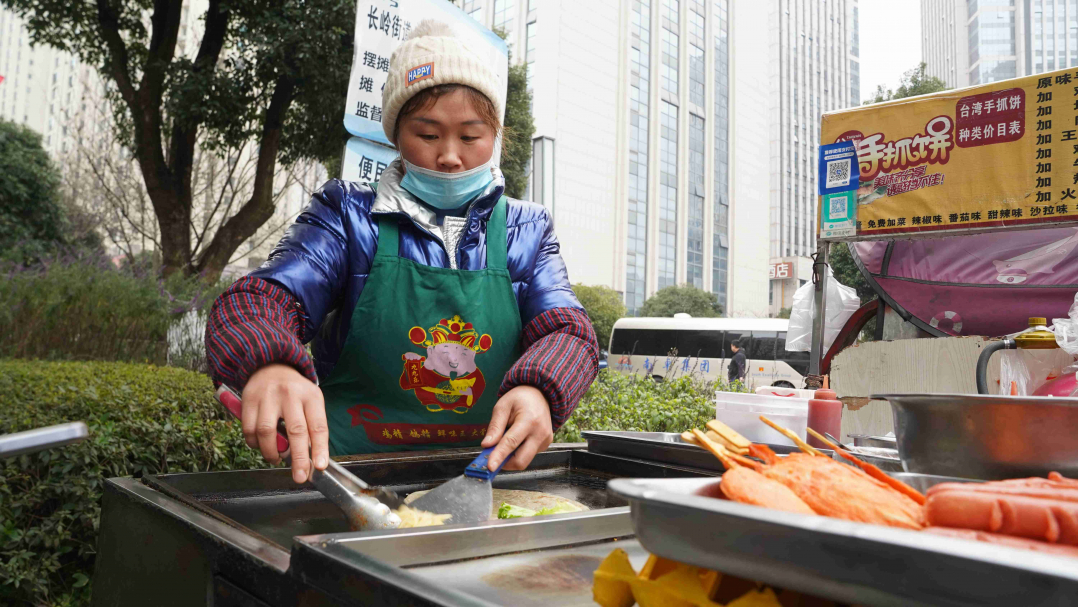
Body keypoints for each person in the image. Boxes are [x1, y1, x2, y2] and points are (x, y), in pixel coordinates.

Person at [204, 20, 599, 484]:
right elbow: (260, 299)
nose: (450, 155)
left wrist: (540, 387)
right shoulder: (348, 215)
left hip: (483, 480)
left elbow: (569, 331)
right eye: (428, 135)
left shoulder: (525, 227)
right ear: (396, 136)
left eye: (470, 137)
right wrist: (268, 360)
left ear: (495, 137)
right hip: (348, 478)